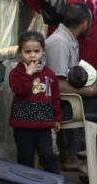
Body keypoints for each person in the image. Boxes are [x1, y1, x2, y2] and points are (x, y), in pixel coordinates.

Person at [45, 3, 97, 184]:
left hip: (70, 102)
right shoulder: (59, 42)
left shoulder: (67, 38)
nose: (89, 27)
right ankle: (93, 169)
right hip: (62, 107)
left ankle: (90, 163)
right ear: (84, 24)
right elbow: (57, 84)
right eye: (89, 24)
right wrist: (87, 92)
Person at [9, 31, 62, 173]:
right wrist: (28, 74)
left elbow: (55, 97)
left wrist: (56, 118)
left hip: (43, 126)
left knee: (48, 156)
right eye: (27, 52)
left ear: (43, 51)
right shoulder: (16, 74)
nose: (32, 55)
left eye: (36, 51)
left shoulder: (49, 75)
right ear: (20, 52)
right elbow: (20, 90)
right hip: (23, 127)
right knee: (25, 159)